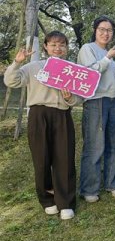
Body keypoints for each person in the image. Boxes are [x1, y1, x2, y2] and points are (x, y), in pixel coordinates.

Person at [4, 31, 79, 220]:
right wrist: (17, 62)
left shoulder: (71, 69)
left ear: (66, 48)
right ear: (45, 46)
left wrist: (70, 97)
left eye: (62, 44)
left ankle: (65, 202)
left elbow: (79, 98)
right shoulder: (34, 67)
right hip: (39, 115)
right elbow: (11, 81)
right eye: (53, 44)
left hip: (62, 114)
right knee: (41, 158)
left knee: (65, 157)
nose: (57, 48)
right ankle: (47, 198)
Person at [77, 16, 115, 203]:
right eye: (102, 29)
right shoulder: (87, 48)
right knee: (94, 145)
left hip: (114, 100)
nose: (106, 33)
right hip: (95, 101)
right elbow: (89, 74)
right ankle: (89, 188)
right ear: (95, 30)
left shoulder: (110, 53)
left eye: (109, 30)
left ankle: (114, 183)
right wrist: (107, 58)